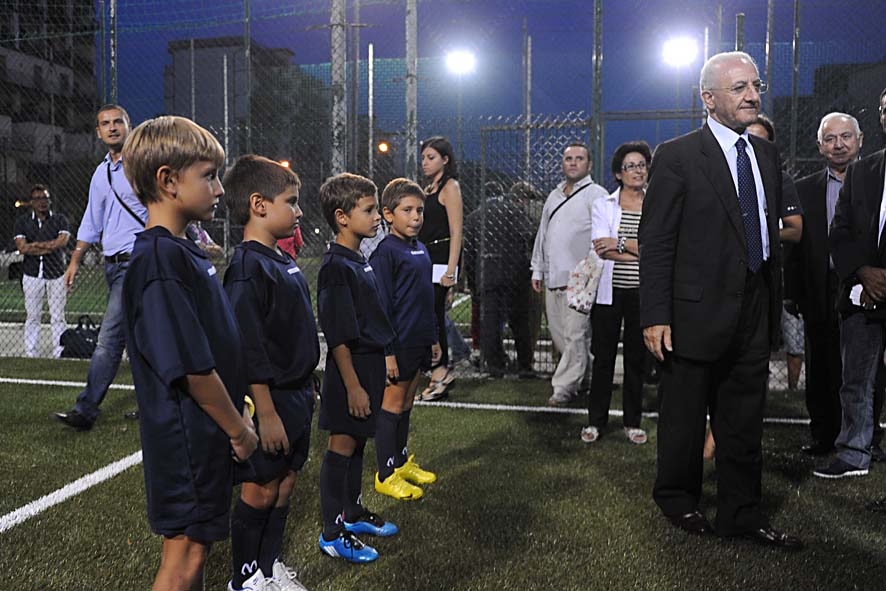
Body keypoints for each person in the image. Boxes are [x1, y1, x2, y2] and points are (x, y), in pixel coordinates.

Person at [641, 51, 801, 548]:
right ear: (708, 98)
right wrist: (655, 315)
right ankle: (677, 499)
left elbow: (767, 234)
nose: (753, 94)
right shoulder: (678, 154)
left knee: (743, 419)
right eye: (739, 88)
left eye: (755, 84)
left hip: (754, 308)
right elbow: (657, 239)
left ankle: (741, 513)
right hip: (691, 313)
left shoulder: (767, 154)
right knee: (684, 418)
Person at [121, 115, 258, 591]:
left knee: (193, 551)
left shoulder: (184, 251)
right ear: (168, 181)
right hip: (187, 433)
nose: (219, 189)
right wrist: (238, 430)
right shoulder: (159, 259)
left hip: (203, 429)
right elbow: (191, 366)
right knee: (185, 557)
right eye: (209, 175)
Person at [222, 155, 317, 591]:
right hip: (273, 399)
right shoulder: (247, 267)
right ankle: (244, 580)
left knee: (285, 482)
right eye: (291, 202)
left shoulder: (280, 259)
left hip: (298, 393)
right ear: (259, 205)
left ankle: (267, 565)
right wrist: (266, 411)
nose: (298, 212)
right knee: (260, 488)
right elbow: (247, 346)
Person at [316, 173, 398, 563]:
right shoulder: (336, 265)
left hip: (368, 366)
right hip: (351, 371)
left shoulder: (357, 258)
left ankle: (351, 511)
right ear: (342, 217)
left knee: (358, 441)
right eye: (367, 210)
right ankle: (332, 532)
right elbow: (338, 335)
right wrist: (352, 386)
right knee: (342, 445)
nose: (376, 216)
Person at [54, 104, 146, 430]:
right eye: (104, 124)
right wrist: (74, 262)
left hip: (138, 263)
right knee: (139, 341)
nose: (111, 128)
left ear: (128, 125)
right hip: (112, 265)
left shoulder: (143, 164)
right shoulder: (101, 173)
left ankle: (86, 411)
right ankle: (156, 405)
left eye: (117, 122)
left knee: (109, 339)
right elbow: (91, 222)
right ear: (97, 132)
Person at [814, 114, 886, 482]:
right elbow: (838, 231)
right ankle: (854, 453)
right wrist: (863, 271)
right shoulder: (863, 173)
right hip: (864, 292)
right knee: (855, 378)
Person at [789, 113, 863, 458]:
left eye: (845, 136)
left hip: (865, 284)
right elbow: (795, 246)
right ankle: (823, 435)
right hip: (820, 286)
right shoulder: (803, 188)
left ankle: (863, 437)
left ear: (860, 140)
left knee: (863, 365)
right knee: (821, 365)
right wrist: (793, 292)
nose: (839, 144)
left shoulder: (877, 181)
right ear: (820, 146)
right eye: (830, 138)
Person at [369, 178, 441, 500]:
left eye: (420, 210)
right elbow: (381, 305)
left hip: (419, 339)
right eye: (407, 210)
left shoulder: (420, 248)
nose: (416, 217)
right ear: (388, 214)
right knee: (391, 406)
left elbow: (425, 300)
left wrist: (434, 337)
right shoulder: (386, 253)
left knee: (408, 403)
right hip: (398, 343)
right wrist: (387, 352)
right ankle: (385, 473)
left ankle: (400, 461)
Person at [581, 141, 651, 445]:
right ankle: (596, 421)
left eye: (641, 165)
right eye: (630, 166)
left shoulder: (656, 203)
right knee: (604, 358)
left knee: (637, 359)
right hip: (609, 294)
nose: (637, 171)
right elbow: (601, 249)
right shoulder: (604, 205)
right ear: (618, 174)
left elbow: (660, 251)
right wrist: (639, 250)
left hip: (644, 293)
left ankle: (632, 421)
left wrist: (620, 244)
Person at [530, 143, 608, 405]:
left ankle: (563, 387)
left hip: (579, 278)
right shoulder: (553, 195)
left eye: (579, 158)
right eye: (568, 158)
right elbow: (544, 233)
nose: (573, 163)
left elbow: (602, 236)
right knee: (559, 334)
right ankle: (589, 376)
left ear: (588, 164)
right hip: (553, 275)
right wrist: (537, 267)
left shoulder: (596, 193)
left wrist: (588, 273)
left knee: (575, 333)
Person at [463, 181, 535, 378]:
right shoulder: (514, 211)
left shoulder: (474, 216)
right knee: (520, 321)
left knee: (491, 322)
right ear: (502, 193)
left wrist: (473, 282)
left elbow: (468, 253)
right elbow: (530, 236)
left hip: (488, 272)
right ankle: (525, 365)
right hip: (516, 272)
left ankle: (495, 366)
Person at [418, 136, 463, 400]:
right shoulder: (428, 189)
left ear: (445, 160)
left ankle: (441, 373)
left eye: (431, 157)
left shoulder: (450, 187)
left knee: (435, 317)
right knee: (430, 315)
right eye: (423, 157)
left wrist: (451, 271)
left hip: (440, 258)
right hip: (426, 256)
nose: (424, 162)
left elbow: (457, 232)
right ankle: (438, 370)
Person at [13, 184, 70, 358]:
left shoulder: (60, 219)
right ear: (31, 202)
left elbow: (61, 242)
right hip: (31, 274)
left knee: (58, 315)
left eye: (45, 198)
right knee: (33, 315)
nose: (42, 202)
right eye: (37, 199)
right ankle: (31, 352)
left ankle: (59, 350)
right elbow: (22, 247)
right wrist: (48, 246)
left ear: (50, 200)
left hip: (56, 274)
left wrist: (37, 245)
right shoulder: (23, 222)